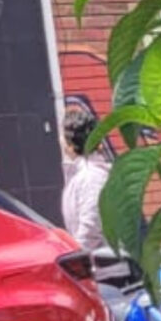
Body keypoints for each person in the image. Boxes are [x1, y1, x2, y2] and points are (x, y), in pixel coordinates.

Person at [61, 101, 113, 258]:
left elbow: (90, 228)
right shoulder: (84, 172)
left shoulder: (91, 177)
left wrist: (74, 261)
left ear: (70, 145)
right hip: (98, 264)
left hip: (103, 269)